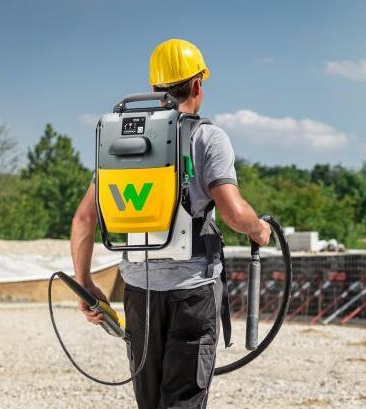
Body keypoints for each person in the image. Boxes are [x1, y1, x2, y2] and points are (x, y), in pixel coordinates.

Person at [70, 38, 270, 409]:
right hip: (191, 292)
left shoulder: (123, 137)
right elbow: (233, 213)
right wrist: (260, 229)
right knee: (183, 401)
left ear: (154, 88)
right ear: (197, 85)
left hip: (138, 293)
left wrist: (84, 282)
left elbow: (84, 218)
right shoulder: (207, 136)